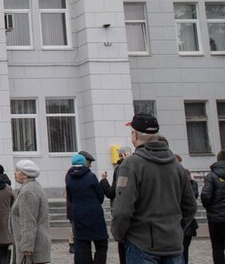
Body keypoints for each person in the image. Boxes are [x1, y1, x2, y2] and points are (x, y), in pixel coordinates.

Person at [109, 113, 197, 264]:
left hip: (142, 244)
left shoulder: (131, 165)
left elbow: (122, 210)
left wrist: (119, 235)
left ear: (134, 135)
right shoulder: (177, 166)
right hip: (173, 243)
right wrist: (174, 228)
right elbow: (190, 206)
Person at [65, 154, 108, 264]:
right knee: (101, 244)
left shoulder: (69, 178)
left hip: (78, 214)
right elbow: (100, 194)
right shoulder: (90, 176)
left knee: (83, 244)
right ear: (84, 163)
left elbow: (70, 196)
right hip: (94, 214)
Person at [8, 160, 51, 264]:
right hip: (34, 244)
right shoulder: (34, 187)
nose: (14, 173)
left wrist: (27, 246)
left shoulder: (28, 191)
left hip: (32, 248)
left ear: (25, 175)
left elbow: (28, 220)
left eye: (17, 171)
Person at [101, 147, 131, 264]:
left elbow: (112, 192)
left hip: (121, 210)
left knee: (122, 243)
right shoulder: (137, 166)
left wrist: (103, 181)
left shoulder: (120, 169)